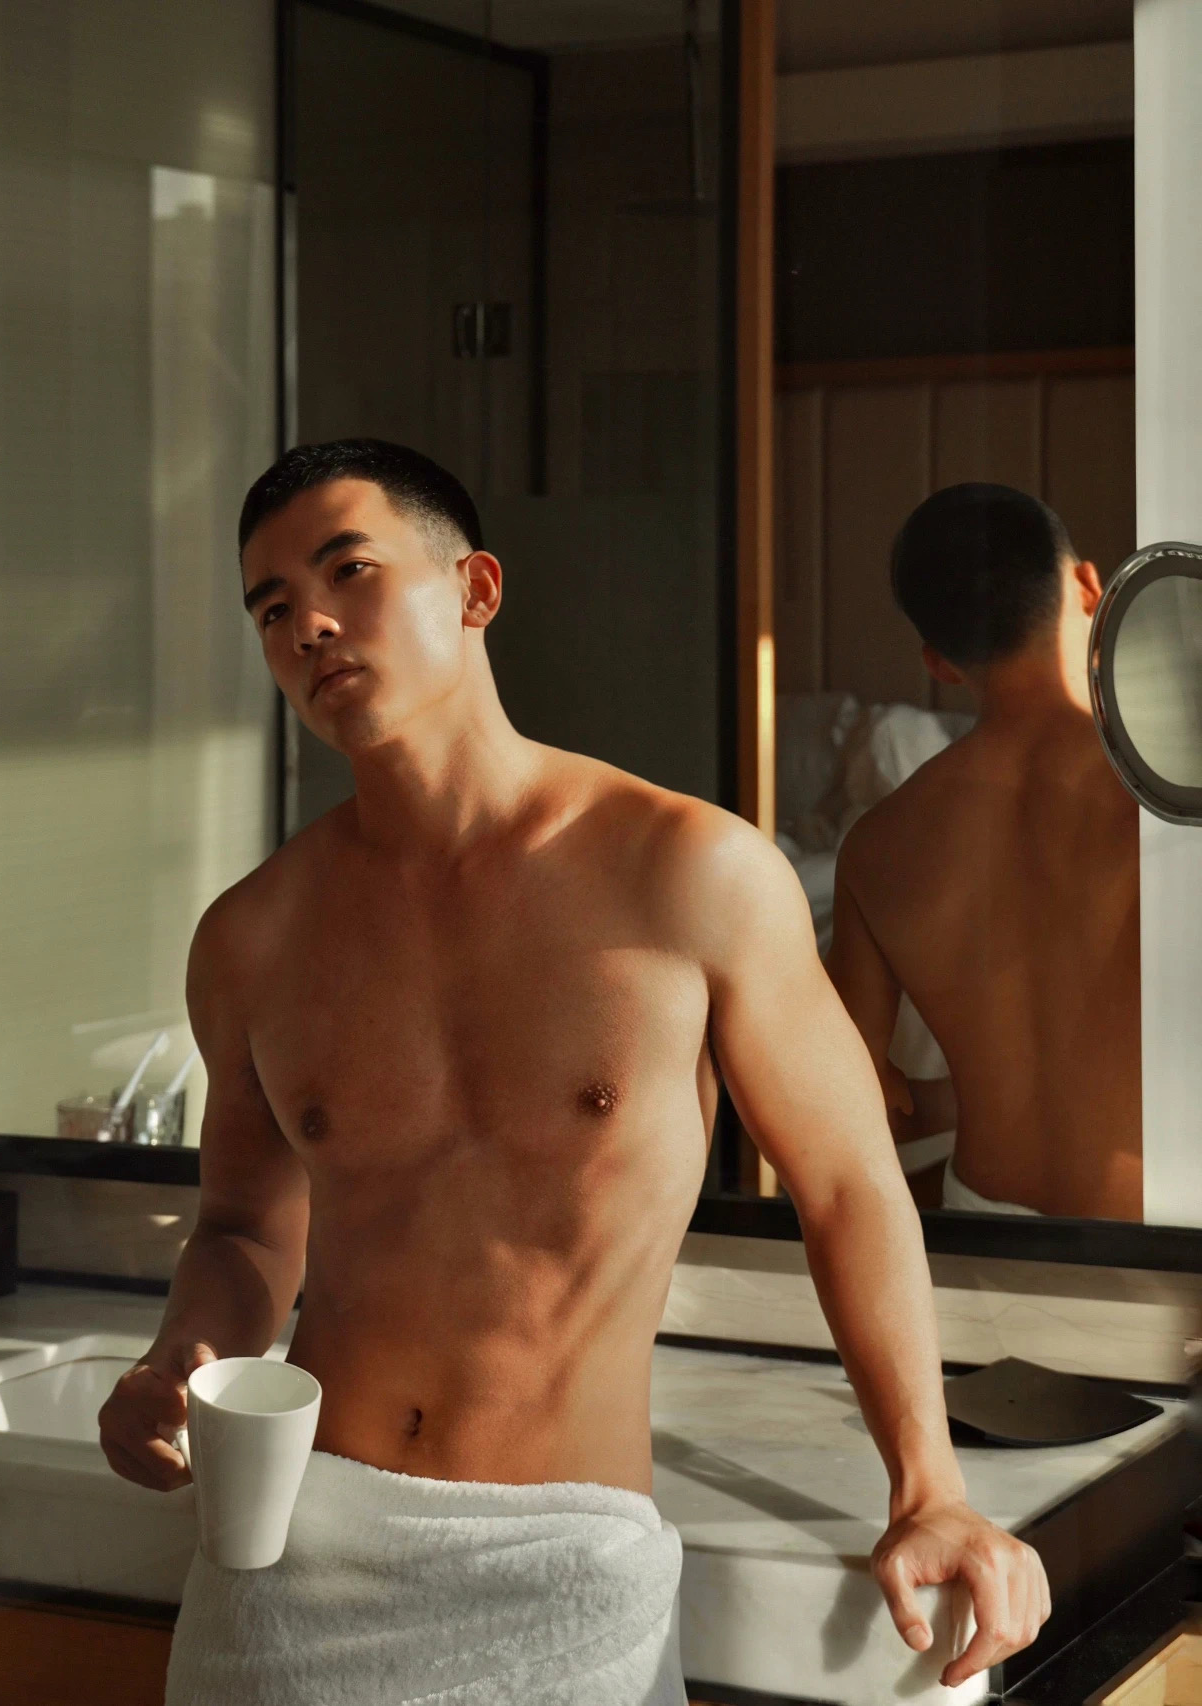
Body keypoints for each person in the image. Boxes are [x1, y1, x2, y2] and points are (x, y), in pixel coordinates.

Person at [98, 442, 1048, 1704]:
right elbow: (240, 1229)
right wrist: (179, 1355)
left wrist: (927, 1485)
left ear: (475, 588)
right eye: (271, 608)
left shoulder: (688, 871)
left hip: (562, 1567)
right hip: (286, 1558)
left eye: (348, 571)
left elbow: (848, 1186)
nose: (308, 623)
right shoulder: (251, 938)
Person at [827, 483, 1141, 1221]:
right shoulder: (1162, 792)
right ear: (1089, 587)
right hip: (1153, 1221)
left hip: (985, 1223)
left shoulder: (876, 846)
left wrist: (983, 1086)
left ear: (938, 662)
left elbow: (852, 1096)